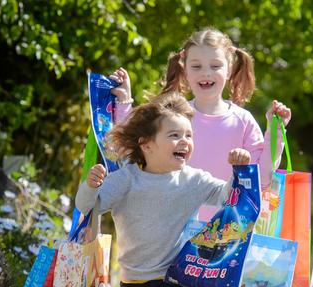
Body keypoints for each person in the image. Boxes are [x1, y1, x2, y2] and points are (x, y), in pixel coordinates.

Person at [75, 92, 250, 287]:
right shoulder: (126, 180)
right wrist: (90, 186)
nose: (185, 142)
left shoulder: (192, 180)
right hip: (133, 283)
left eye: (189, 135)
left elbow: (227, 195)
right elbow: (87, 206)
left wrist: (239, 171)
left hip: (174, 278)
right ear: (146, 144)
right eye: (174, 135)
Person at [110, 27, 292, 221]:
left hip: (228, 235)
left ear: (229, 69)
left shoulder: (243, 121)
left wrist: (275, 132)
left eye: (215, 66)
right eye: (196, 66)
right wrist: (123, 102)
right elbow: (132, 152)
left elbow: (262, 180)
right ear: (185, 70)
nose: (206, 73)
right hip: (174, 233)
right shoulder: (173, 116)